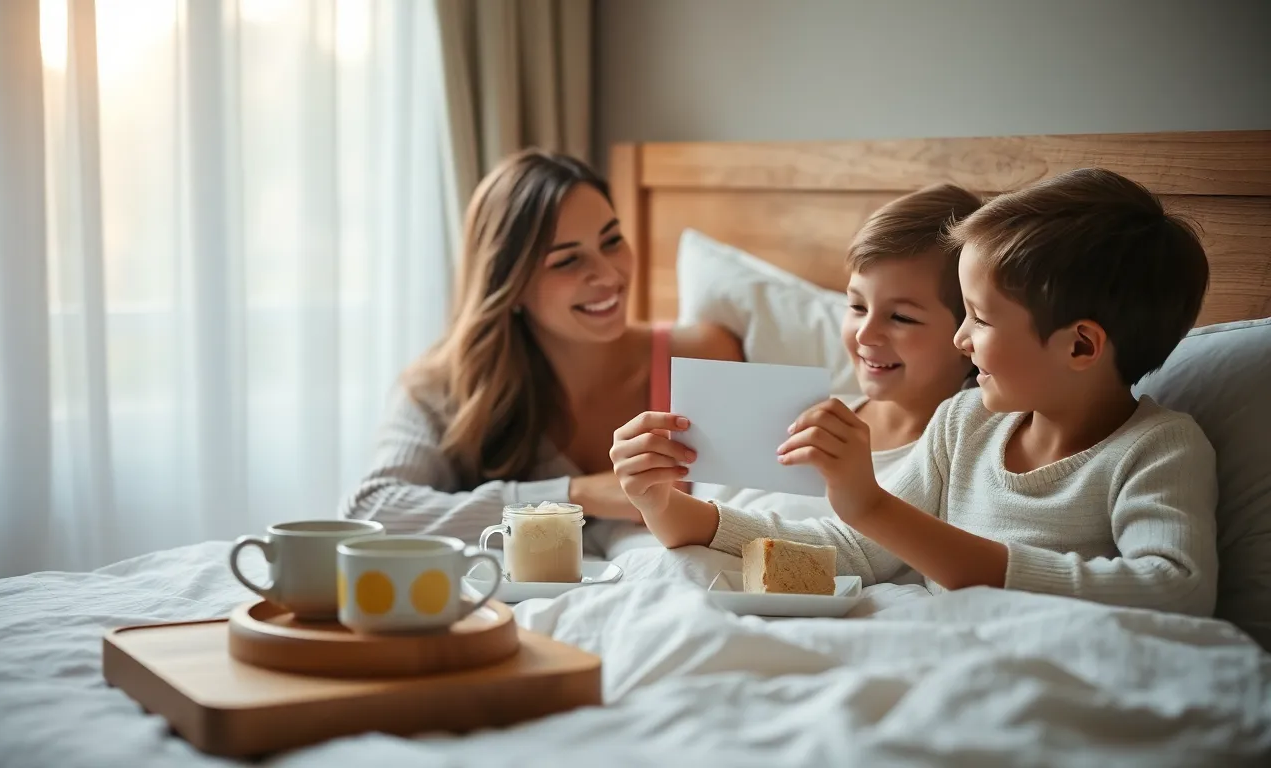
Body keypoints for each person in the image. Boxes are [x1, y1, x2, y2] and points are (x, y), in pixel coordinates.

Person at [612, 168, 1219, 617]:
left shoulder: (1158, 448)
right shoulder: (965, 423)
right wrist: (668, 509)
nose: (961, 340)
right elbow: (853, 550)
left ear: (1081, 347)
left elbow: (1175, 589)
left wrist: (882, 513)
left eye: (979, 319)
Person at [341, 149, 741, 548]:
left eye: (612, 240)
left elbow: (760, 513)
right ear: (510, 285)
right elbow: (371, 511)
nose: (607, 274)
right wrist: (575, 495)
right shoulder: (444, 388)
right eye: (567, 261)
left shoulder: (698, 357)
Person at [604, 183, 983, 560]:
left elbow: (847, 549)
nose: (866, 333)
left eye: (901, 317)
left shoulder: (960, 447)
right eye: (856, 306)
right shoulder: (806, 417)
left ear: (970, 331)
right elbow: (717, 518)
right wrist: (654, 501)